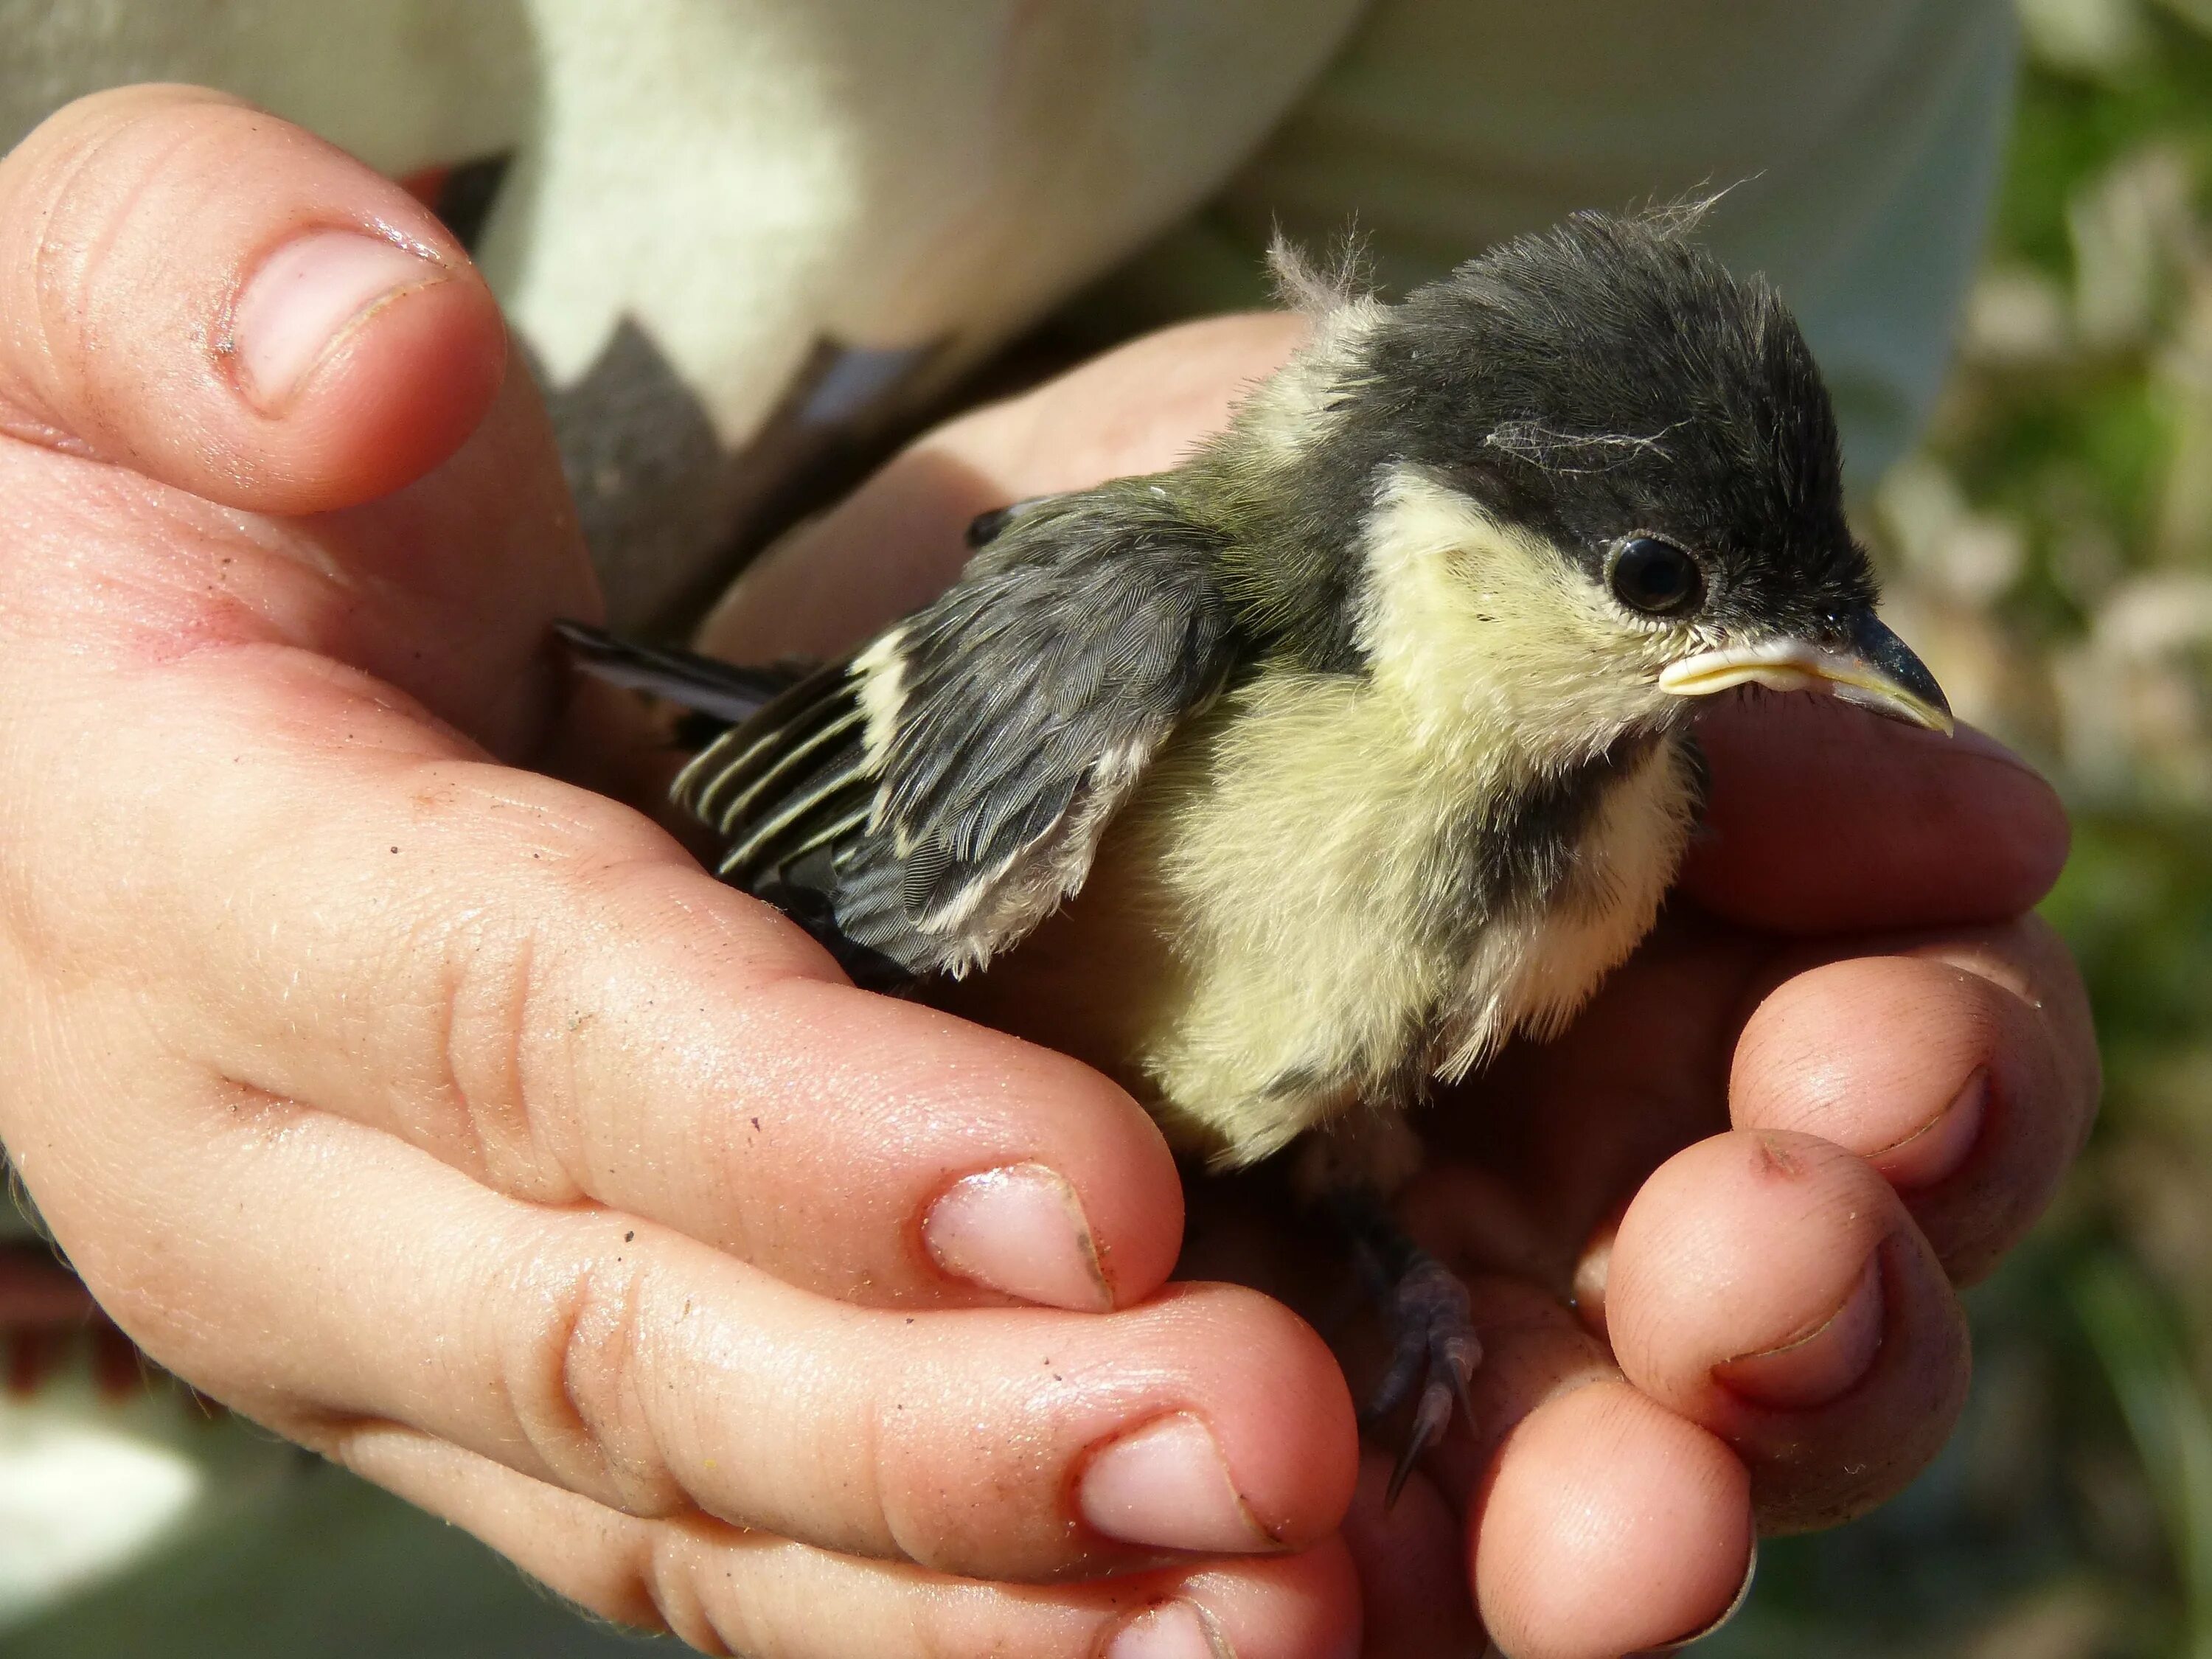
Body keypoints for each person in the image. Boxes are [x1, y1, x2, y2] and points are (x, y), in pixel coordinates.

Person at [0, 5, 2095, 1657]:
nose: (1746, 663)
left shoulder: (1633, 800)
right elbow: (793, 832)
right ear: (1439, 538)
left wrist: (1395, 1266)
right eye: (1664, 593)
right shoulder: (1154, 659)